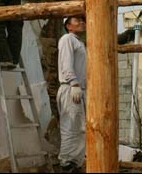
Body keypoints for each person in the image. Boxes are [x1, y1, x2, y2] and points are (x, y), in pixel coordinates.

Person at [57, 16, 87, 173]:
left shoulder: (79, 42)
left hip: (79, 88)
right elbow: (66, 62)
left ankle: (75, 162)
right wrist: (73, 83)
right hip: (71, 87)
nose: (82, 23)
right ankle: (66, 163)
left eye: (83, 21)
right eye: (78, 21)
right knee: (71, 126)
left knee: (80, 128)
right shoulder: (68, 38)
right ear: (68, 26)